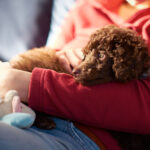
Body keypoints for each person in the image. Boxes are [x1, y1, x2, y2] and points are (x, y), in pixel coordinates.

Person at [0, 0, 150, 149]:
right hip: (28, 109)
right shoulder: (88, 6)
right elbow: (51, 53)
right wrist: (61, 57)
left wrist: (28, 84)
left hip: (80, 134)